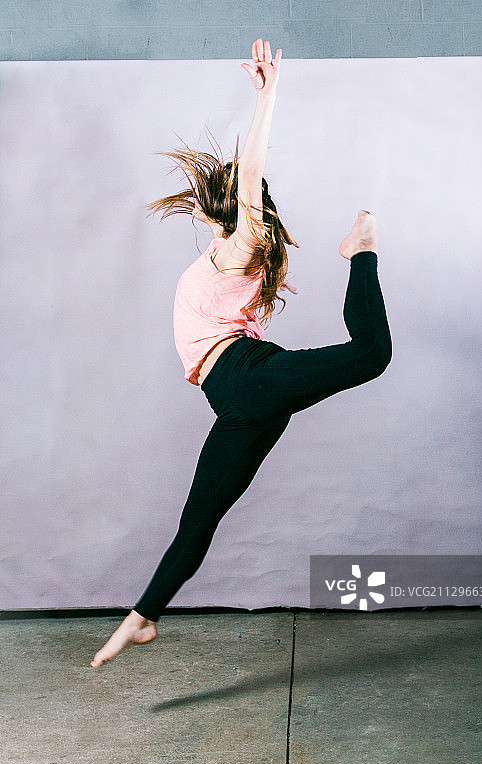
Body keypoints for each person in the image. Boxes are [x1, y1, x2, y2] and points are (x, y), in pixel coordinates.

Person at [91, 38, 392, 668]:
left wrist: (266, 97)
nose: (202, 195)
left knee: (370, 353)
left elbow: (249, 173)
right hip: (240, 403)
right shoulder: (223, 246)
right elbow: (237, 182)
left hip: (249, 380)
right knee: (198, 521)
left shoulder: (242, 245)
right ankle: (140, 620)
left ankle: (360, 247)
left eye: (213, 192)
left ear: (227, 209)